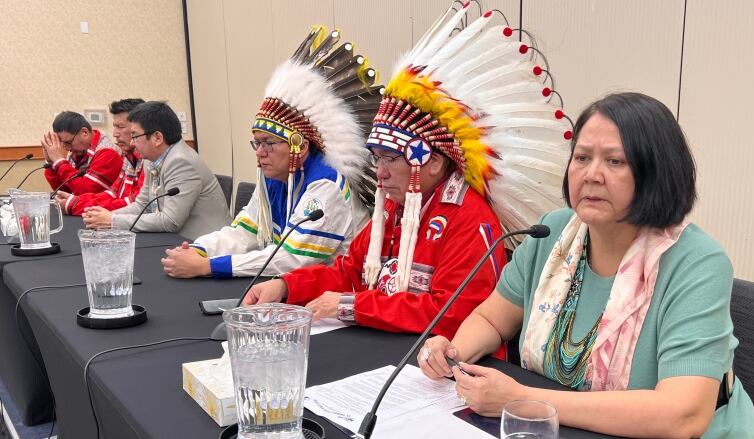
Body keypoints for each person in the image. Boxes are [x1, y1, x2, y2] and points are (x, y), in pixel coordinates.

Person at [419, 92, 754, 438]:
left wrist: (522, 400)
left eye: (615, 162)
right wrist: (454, 353)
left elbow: (682, 415)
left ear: (657, 173)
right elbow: (491, 319)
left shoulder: (696, 263)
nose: (591, 175)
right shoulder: (551, 234)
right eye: (581, 157)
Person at [243, 3, 571, 341]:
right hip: (390, 349)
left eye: (391, 159)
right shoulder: (394, 208)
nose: (380, 174)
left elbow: (450, 315)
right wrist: (284, 285)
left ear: (434, 161)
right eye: (377, 159)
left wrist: (351, 306)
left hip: (442, 369)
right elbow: (349, 271)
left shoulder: (470, 220)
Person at [160, 26, 380, 279]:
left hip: (332, 293)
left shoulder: (326, 185)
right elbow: (245, 230)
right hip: (291, 288)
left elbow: (293, 259)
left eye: (269, 143)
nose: (260, 153)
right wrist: (200, 250)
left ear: (301, 145)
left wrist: (210, 266)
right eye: (257, 143)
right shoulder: (274, 177)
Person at [82, 101, 231, 239]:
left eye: (135, 136)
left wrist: (113, 220)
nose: (132, 143)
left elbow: (170, 220)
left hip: (206, 246)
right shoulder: (151, 160)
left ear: (157, 138)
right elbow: (142, 205)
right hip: (174, 240)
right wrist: (106, 216)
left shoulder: (181, 162)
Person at [55, 99, 146, 215]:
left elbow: (133, 203)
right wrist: (76, 201)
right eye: (115, 127)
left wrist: (59, 162)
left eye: (120, 127)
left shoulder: (108, 152)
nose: (114, 134)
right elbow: (113, 192)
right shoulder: (129, 156)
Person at [41, 111, 123, 194]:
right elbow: (65, 191)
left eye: (68, 142)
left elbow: (85, 191)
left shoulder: (108, 153)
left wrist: (60, 162)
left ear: (85, 132)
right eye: (63, 144)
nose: (67, 148)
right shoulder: (78, 151)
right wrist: (52, 164)